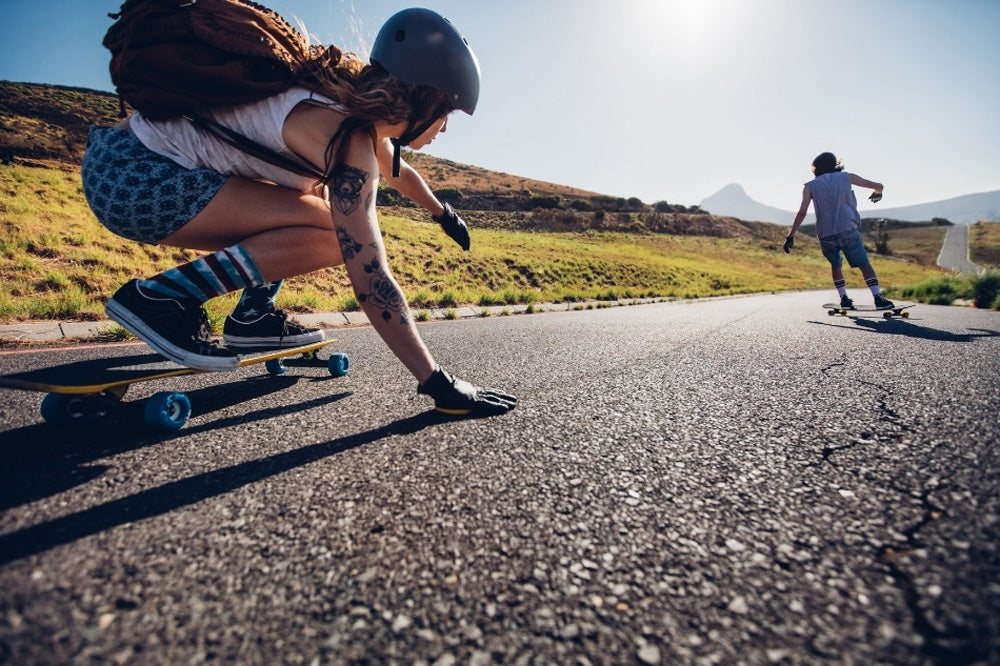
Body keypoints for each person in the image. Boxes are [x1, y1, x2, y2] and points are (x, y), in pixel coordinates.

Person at [81, 8, 516, 416]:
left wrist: (442, 213)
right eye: (447, 113)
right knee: (333, 232)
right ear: (426, 100)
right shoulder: (343, 137)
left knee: (311, 205)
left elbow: (400, 172)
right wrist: (437, 382)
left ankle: (252, 319)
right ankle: (162, 296)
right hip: (134, 179)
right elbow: (370, 273)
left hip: (120, 164)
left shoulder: (347, 108)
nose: (446, 127)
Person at [783, 152, 895, 310]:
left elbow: (802, 212)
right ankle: (878, 298)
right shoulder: (847, 177)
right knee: (864, 264)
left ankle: (844, 299)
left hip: (825, 234)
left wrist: (790, 236)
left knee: (836, 266)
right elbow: (879, 186)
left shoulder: (810, 186)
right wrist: (878, 194)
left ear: (816, 168)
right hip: (847, 229)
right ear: (835, 164)